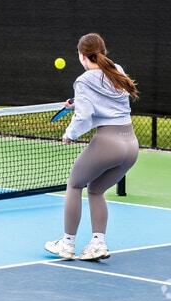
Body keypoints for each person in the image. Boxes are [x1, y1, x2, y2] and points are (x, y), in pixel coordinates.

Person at [45, 33, 139, 261]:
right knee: (95, 190)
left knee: (75, 184)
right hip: (131, 146)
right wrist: (76, 102)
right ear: (102, 52)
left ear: (81, 55)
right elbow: (109, 98)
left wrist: (70, 134)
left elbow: (85, 116)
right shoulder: (116, 69)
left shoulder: (83, 80)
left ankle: (67, 244)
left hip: (108, 142)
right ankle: (98, 243)